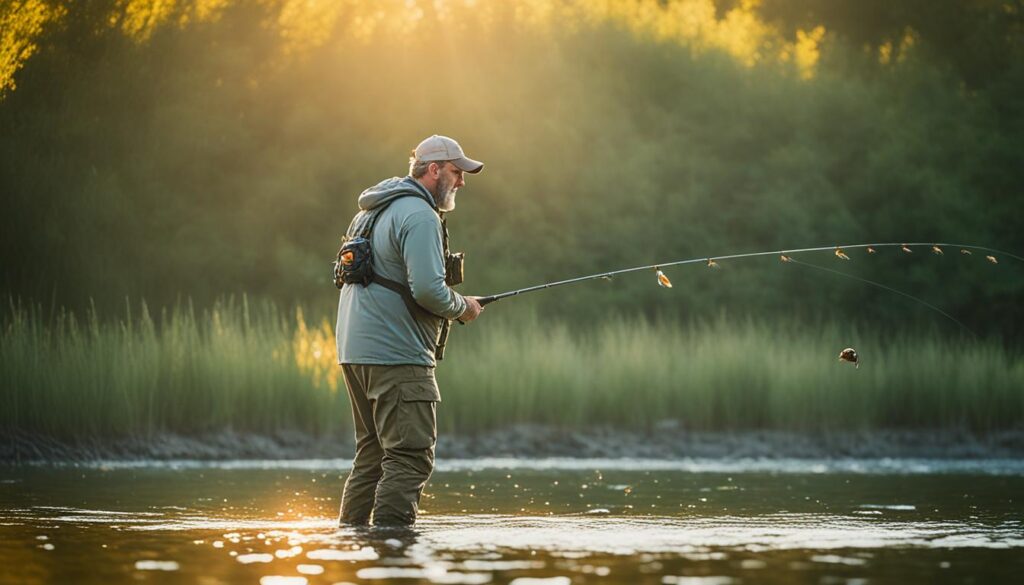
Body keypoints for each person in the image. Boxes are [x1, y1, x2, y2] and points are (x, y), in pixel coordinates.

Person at [335, 135, 485, 527]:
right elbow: (428, 290)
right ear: (433, 169)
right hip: (396, 354)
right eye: (456, 172)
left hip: (354, 351)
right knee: (410, 456)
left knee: (371, 455)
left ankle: (354, 548)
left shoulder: (371, 211)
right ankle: (391, 552)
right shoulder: (419, 215)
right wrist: (464, 308)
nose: (462, 182)